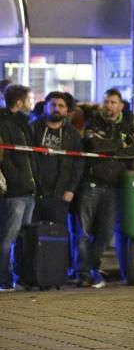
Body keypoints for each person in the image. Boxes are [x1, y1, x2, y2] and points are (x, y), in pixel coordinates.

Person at [77, 89, 134, 289]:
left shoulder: (127, 125)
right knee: (84, 233)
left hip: (113, 188)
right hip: (92, 184)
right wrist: (119, 144)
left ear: (121, 105)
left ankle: (87, 268)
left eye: (113, 102)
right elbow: (93, 145)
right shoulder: (93, 122)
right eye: (107, 102)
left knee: (105, 233)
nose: (109, 105)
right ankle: (86, 273)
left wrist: (110, 144)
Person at [0, 84, 37, 290]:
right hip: (15, 192)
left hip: (29, 190)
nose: (32, 104)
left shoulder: (25, 123)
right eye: (30, 100)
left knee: (23, 237)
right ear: (19, 102)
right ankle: (4, 280)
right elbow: (6, 159)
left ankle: (21, 276)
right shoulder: (5, 124)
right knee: (7, 237)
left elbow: (30, 155)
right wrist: (16, 181)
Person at [31, 91, 83, 224]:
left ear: (66, 110)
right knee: (28, 234)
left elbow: (78, 163)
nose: (57, 109)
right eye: (53, 105)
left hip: (59, 194)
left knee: (56, 236)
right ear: (45, 107)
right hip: (34, 191)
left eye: (61, 106)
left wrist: (71, 189)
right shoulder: (32, 128)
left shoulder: (73, 134)